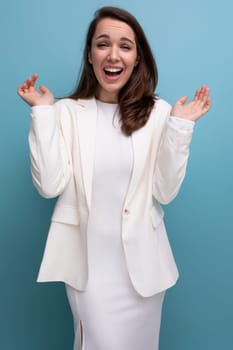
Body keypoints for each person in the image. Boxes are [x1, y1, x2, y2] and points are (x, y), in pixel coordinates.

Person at [17, 6, 211, 350]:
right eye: (102, 44)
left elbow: (164, 192)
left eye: (125, 46)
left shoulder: (158, 112)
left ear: (137, 58)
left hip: (144, 273)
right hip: (88, 269)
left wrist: (181, 127)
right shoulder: (65, 113)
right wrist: (43, 113)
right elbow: (49, 185)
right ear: (90, 56)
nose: (113, 54)